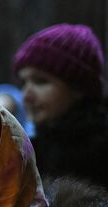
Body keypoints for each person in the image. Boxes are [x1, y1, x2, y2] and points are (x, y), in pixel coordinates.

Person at [13, 23, 108, 188]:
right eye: (24, 82)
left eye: (41, 81)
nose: (26, 95)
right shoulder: (32, 153)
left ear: (78, 88)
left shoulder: (99, 157)